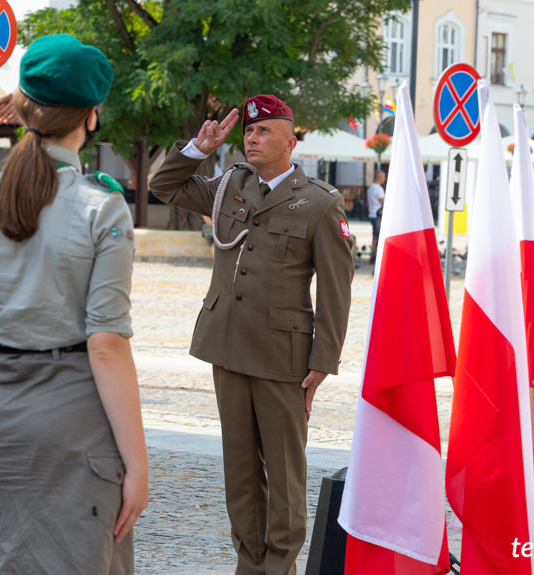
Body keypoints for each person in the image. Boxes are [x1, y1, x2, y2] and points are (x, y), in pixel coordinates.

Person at [0, 34, 148, 574]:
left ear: (25, 107)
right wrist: (139, 464)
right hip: (76, 422)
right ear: (92, 116)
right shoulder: (102, 209)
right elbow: (106, 347)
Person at [149, 94, 354, 574]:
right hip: (228, 346)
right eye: (249, 131)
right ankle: (250, 564)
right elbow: (164, 185)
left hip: (283, 357)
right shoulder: (228, 186)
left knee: (283, 475)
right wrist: (199, 149)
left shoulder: (321, 204)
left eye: (264, 131)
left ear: (290, 138)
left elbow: (335, 291)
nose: (253, 138)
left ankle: (279, 567)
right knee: (240, 473)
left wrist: (323, 361)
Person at [366, 169, 386, 263]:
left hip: (371, 214)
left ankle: (374, 254)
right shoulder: (379, 189)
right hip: (378, 215)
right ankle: (375, 255)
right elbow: (384, 203)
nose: (385, 179)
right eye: (384, 177)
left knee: (375, 235)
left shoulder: (370, 188)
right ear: (380, 178)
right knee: (377, 236)